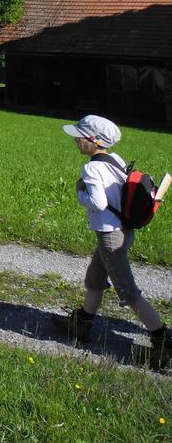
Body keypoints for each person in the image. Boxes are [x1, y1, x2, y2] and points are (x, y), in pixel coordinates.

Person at [52, 115, 168, 368]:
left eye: (79, 136)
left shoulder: (92, 168)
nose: (75, 140)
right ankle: (81, 323)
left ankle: (163, 340)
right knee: (95, 278)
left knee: (129, 292)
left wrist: (80, 191)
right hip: (124, 231)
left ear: (94, 141)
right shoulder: (115, 160)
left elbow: (98, 202)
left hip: (110, 237)